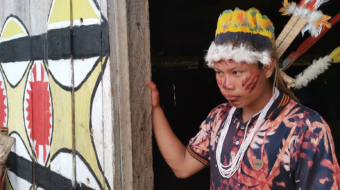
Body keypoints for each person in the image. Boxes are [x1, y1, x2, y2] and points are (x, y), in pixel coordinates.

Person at [149, 7, 340, 190]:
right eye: (219, 72)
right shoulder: (219, 118)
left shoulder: (305, 126)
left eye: (237, 72)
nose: (226, 84)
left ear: (267, 67)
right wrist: (156, 109)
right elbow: (182, 166)